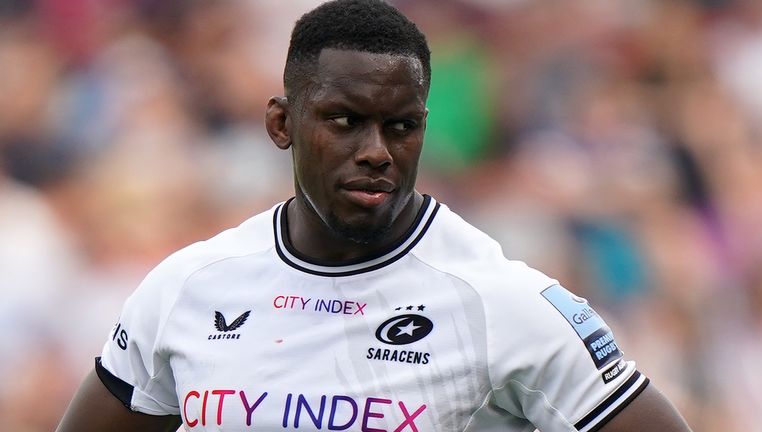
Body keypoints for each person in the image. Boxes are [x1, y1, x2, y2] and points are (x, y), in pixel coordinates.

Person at [56, 1, 692, 431]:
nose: (376, 153)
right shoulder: (188, 289)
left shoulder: (502, 302)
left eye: (401, 127)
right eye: (344, 121)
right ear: (282, 123)